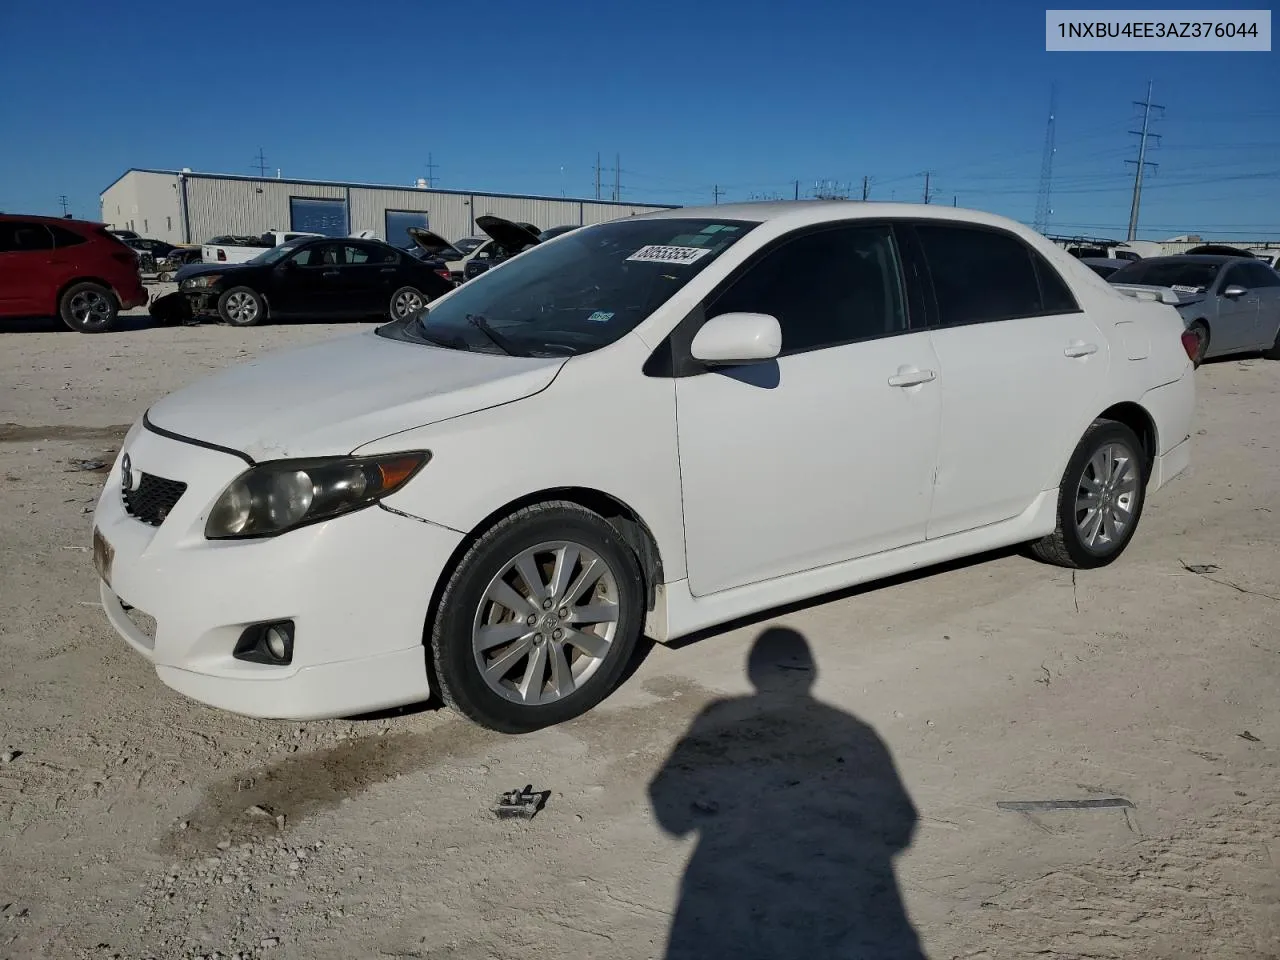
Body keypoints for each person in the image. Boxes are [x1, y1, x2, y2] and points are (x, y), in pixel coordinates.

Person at [648, 627, 925, 959]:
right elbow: (900, 827)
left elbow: (670, 814)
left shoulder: (717, 720)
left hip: (727, 916)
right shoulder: (854, 732)